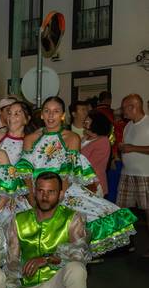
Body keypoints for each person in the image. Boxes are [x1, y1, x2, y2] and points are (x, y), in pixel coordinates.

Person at [17, 96, 136, 257]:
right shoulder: (30, 139)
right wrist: (32, 199)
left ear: (62, 115)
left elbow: (67, 174)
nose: (51, 115)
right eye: (47, 111)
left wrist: (59, 197)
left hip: (63, 191)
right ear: (42, 115)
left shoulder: (72, 138)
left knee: (91, 219)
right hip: (36, 193)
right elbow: (26, 173)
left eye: (56, 111)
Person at [5, 172, 91, 288]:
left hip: (59, 284)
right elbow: (12, 263)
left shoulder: (72, 218)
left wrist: (47, 258)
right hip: (30, 286)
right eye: (41, 191)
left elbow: (81, 253)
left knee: (76, 269)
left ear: (60, 194)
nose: (45, 196)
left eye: (51, 192)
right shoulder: (18, 220)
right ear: (34, 192)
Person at [117, 94, 149, 236]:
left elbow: (133, 147)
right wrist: (123, 148)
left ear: (133, 107)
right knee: (122, 210)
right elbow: (128, 147)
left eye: (124, 108)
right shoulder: (128, 125)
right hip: (127, 174)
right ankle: (125, 242)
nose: (122, 111)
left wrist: (133, 148)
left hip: (145, 175)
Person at [81, 111, 112, 197]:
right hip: (83, 181)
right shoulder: (85, 138)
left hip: (94, 184)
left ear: (95, 124)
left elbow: (90, 164)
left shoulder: (103, 141)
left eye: (87, 122)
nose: (84, 123)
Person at [0, 100, 31, 166]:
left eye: (16, 114)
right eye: (9, 113)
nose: (11, 117)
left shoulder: (29, 142)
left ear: (26, 119)